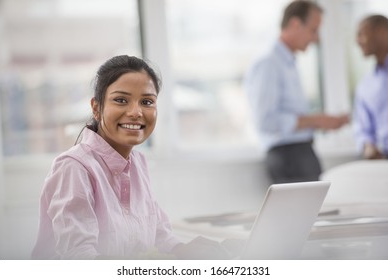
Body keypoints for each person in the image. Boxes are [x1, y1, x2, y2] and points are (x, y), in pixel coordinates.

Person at [31, 55, 231, 260]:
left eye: (147, 102)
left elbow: (160, 235)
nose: (136, 112)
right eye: (121, 100)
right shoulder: (74, 168)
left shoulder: (138, 163)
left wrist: (184, 249)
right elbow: (80, 258)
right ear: (96, 108)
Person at [244, 0, 349, 184]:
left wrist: (318, 122)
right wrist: (315, 120)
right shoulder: (269, 63)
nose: (316, 39)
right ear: (295, 24)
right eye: (313, 30)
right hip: (288, 157)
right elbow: (265, 121)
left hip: (300, 154)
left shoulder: (288, 63)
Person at [353, 14, 388, 159]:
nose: (357, 41)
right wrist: (368, 146)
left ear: (382, 32)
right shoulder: (365, 85)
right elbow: (364, 128)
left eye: (361, 34)